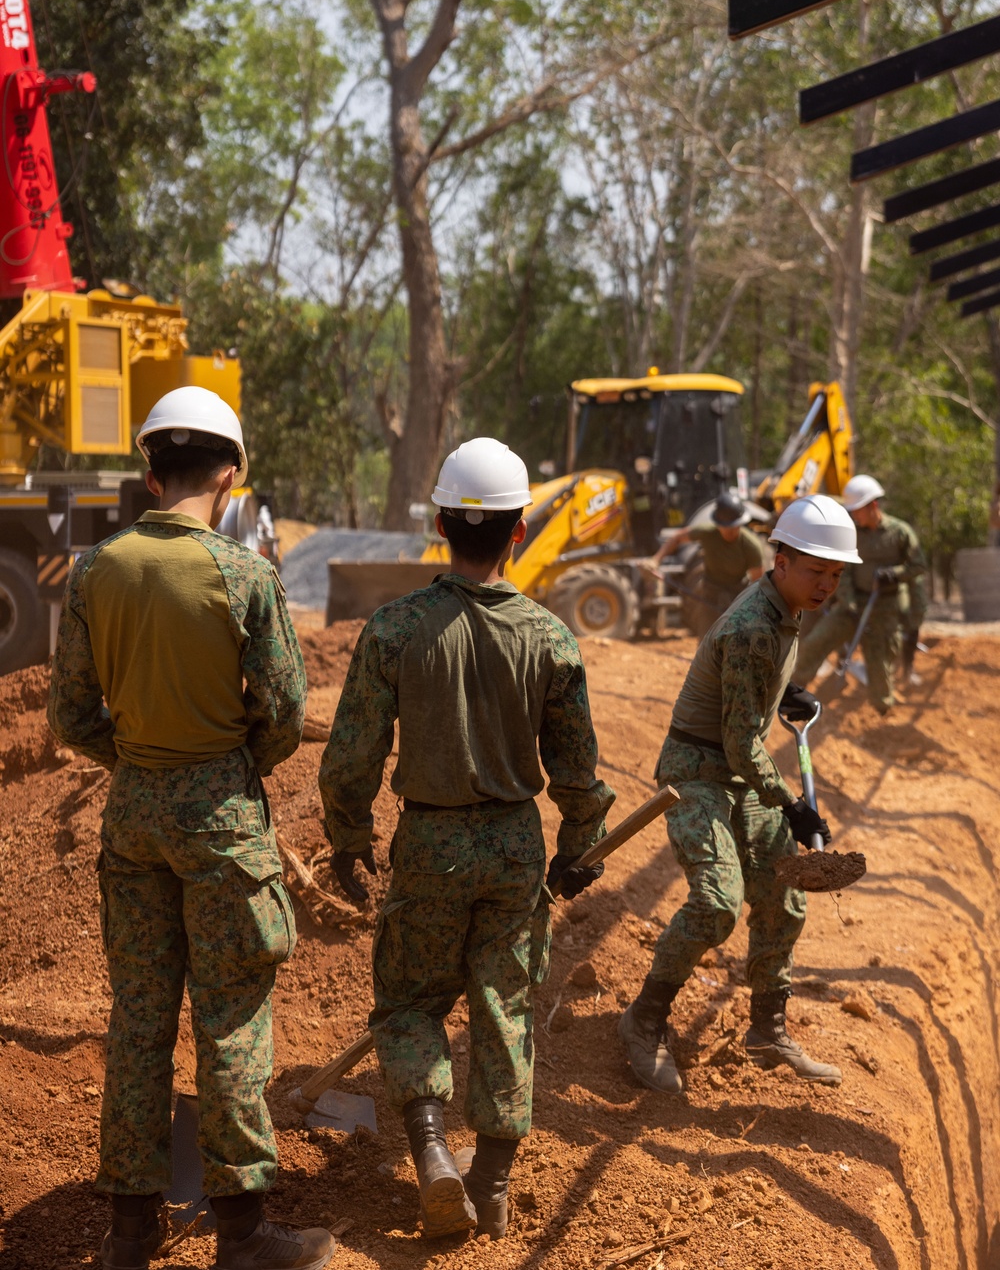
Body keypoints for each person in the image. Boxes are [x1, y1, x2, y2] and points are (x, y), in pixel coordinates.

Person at [47, 387, 333, 1270]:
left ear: (146, 470)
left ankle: (129, 1235)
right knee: (233, 1019)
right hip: (221, 826)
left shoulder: (96, 570)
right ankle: (242, 1236)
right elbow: (285, 711)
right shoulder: (244, 574)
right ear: (231, 471)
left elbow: (67, 714)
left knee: (138, 1021)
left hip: (133, 818)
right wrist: (225, 759)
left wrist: (135, 755)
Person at [319, 438, 614, 1241]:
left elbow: (352, 755)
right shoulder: (551, 639)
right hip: (516, 849)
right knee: (502, 1006)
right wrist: (578, 846)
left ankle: (429, 1150)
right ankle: (490, 1181)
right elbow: (578, 772)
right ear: (520, 530)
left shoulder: (395, 628)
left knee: (411, 1002)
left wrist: (348, 836)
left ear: (443, 522)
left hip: (430, 844)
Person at [619, 493, 861, 1095]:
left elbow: (746, 699)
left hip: (734, 766)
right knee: (719, 902)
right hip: (698, 771)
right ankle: (644, 1020)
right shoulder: (756, 625)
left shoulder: (784, 608)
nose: (826, 584)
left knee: (785, 893)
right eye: (815, 570)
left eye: (835, 573)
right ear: (780, 560)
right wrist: (793, 804)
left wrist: (786, 694)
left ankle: (766, 1031)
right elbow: (737, 743)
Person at [793, 475, 928, 713]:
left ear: (872, 506)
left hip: (884, 608)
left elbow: (918, 566)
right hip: (852, 605)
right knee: (816, 642)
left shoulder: (900, 533)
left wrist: (894, 574)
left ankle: (882, 710)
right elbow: (841, 572)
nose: (854, 515)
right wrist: (850, 603)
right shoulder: (851, 533)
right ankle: (793, 692)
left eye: (857, 510)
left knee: (878, 664)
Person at [649, 493, 766, 638]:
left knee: (737, 642)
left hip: (737, 594)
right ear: (718, 524)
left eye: (735, 527)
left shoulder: (751, 546)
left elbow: (757, 583)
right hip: (711, 593)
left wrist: (750, 609)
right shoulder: (707, 533)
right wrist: (656, 559)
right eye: (726, 527)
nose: (730, 531)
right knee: (707, 640)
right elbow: (677, 538)